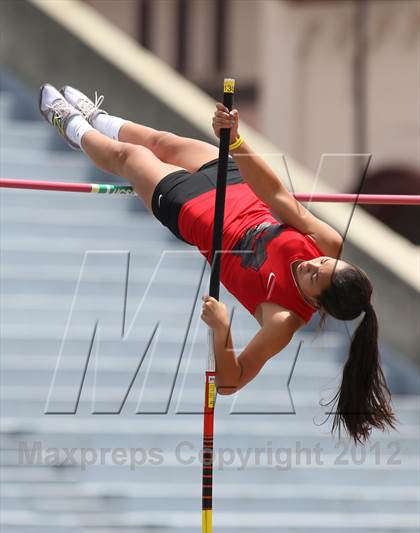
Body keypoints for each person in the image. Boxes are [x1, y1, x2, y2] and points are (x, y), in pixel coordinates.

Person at [38, 84, 396, 443]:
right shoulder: (328, 241)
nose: (311, 264)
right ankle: (98, 118)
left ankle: (71, 126)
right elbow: (274, 194)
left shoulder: (283, 320)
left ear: (318, 302)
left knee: (129, 157)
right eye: (321, 262)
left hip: (193, 212)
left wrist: (221, 328)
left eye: (315, 276)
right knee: (161, 141)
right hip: (234, 185)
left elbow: (230, 381)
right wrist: (237, 142)